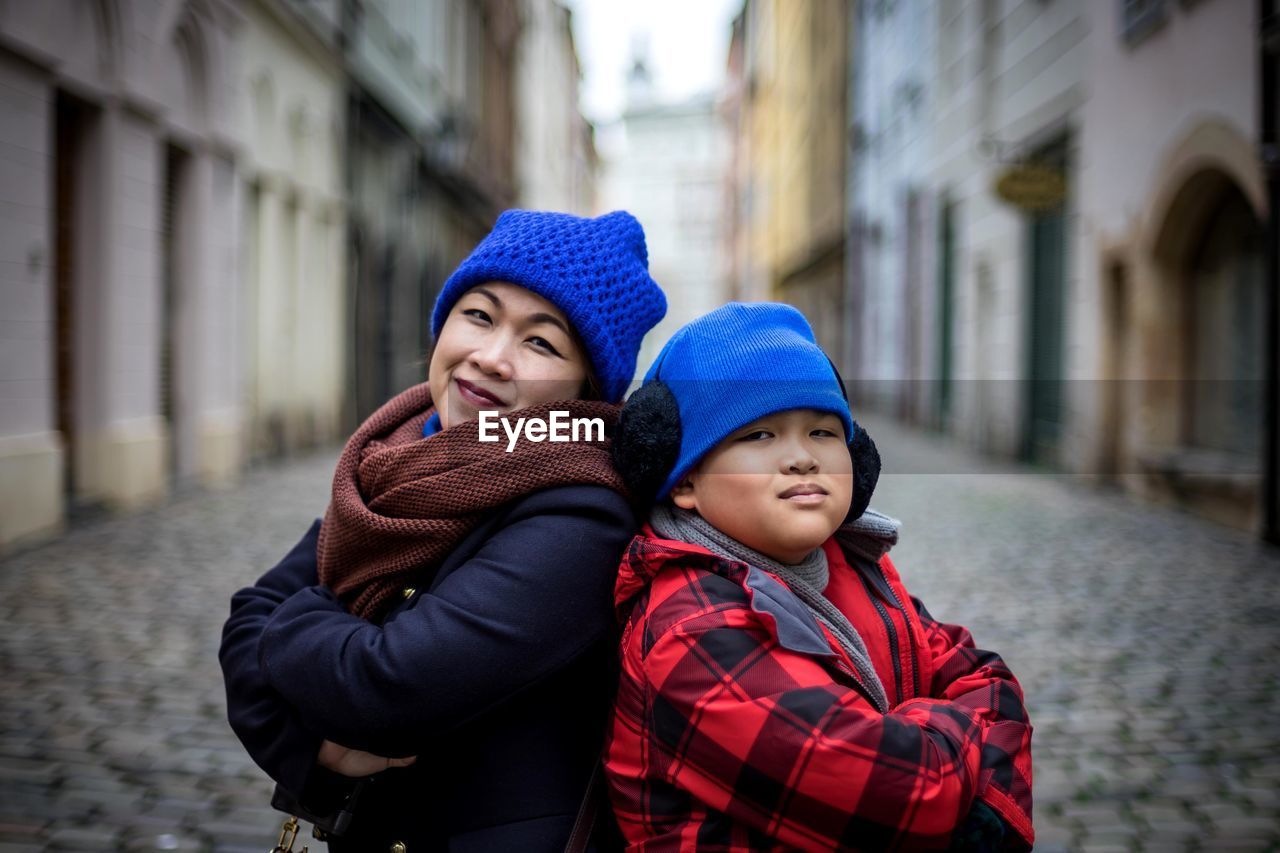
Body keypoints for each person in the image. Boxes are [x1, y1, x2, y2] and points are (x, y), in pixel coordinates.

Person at [219, 209, 667, 851]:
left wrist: (293, 618)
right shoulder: (399, 459)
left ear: (587, 387)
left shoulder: (583, 513)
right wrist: (314, 747)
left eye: (540, 343)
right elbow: (245, 615)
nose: (491, 357)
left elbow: (384, 689)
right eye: (479, 316)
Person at [604, 302, 1034, 851]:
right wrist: (951, 734)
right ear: (682, 479)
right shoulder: (690, 627)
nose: (803, 458)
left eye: (823, 432)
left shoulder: (850, 565)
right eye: (759, 435)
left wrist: (945, 755)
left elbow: (988, 679)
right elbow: (907, 793)